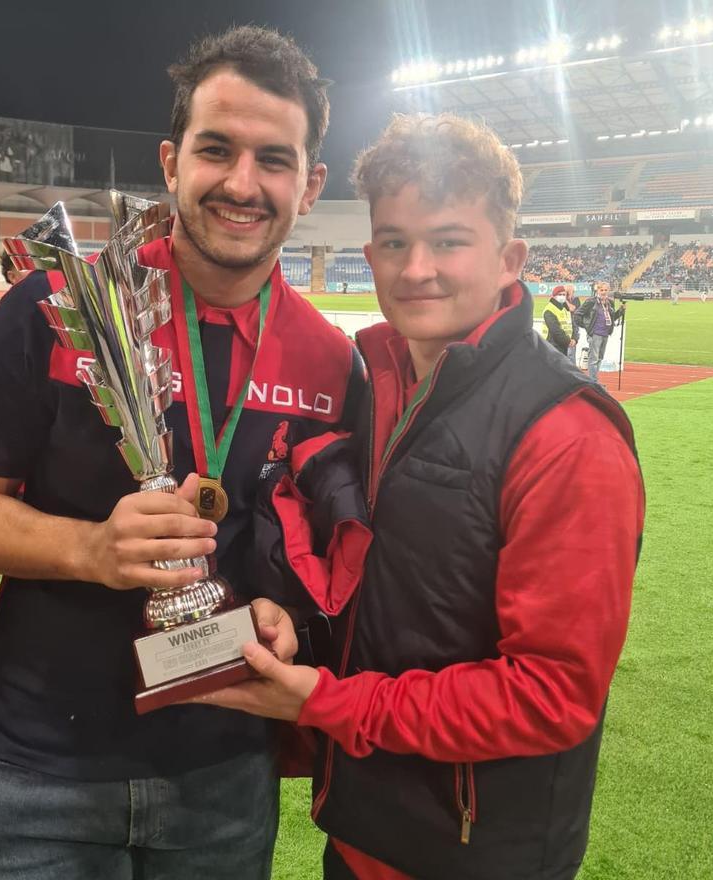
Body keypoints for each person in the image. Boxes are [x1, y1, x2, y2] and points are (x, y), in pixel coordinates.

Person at [0, 27, 363, 880]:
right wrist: (87, 549)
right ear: (170, 162)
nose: (242, 183)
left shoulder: (329, 361)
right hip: (39, 771)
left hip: (223, 772)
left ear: (310, 186)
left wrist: (288, 616)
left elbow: (312, 548)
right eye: (216, 149)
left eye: (274, 159)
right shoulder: (56, 307)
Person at [199, 114, 645, 880]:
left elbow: (551, 695)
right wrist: (295, 632)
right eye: (396, 243)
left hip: (475, 851)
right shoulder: (372, 383)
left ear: (509, 259)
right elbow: (389, 593)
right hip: (366, 826)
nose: (417, 269)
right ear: (368, 254)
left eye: (448, 240)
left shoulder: (568, 435)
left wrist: (329, 704)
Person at [575, 281, 625, 382]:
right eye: (601, 290)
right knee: (593, 359)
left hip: (605, 333)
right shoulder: (591, 301)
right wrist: (587, 327)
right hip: (595, 334)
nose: (604, 292)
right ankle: (594, 382)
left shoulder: (609, 302)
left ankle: (594, 380)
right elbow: (577, 315)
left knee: (600, 358)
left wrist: (620, 311)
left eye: (606, 290)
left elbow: (612, 317)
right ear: (597, 290)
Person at [540, 283, 572, 355]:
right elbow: (555, 330)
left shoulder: (564, 308)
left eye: (564, 295)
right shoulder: (549, 309)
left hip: (562, 345)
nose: (562, 296)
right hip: (552, 344)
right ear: (554, 296)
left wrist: (572, 339)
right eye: (560, 294)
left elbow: (569, 325)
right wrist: (568, 341)